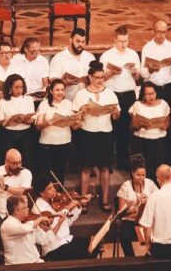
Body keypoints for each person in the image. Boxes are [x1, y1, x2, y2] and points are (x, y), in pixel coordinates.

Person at [73, 61, 121, 212]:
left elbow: (116, 116)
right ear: (90, 77)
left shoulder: (109, 92)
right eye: (98, 77)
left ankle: (105, 200)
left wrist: (115, 111)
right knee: (86, 168)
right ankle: (83, 200)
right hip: (87, 133)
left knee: (104, 167)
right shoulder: (81, 94)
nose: (101, 80)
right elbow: (75, 117)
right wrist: (82, 110)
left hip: (105, 132)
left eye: (102, 77)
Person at [100, 26, 141, 170]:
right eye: (121, 41)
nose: (124, 44)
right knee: (110, 128)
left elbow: (138, 77)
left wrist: (135, 72)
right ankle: (107, 163)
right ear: (114, 40)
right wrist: (112, 73)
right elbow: (101, 78)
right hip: (112, 94)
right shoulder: (106, 56)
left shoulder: (133, 54)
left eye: (126, 41)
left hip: (129, 94)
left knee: (125, 130)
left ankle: (123, 162)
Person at [35, 79, 80, 183]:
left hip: (64, 142)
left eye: (62, 90)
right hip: (47, 143)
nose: (60, 92)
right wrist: (48, 123)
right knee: (47, 175)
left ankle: (60, 197)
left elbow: (74, 127)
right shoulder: (44, 104)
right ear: (51, 91)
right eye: (57, 90)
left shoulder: (69, 103)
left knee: (60, 175)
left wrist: (77, 121)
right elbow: (38, 127)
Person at [116, 154, 158, 257]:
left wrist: (148, 202)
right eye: (138, 175)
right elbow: (121, 212)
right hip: (131, 219)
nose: (141, 178)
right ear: (132, 173)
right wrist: (134, 207)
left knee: (158, 234)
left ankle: (150, 257)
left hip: (147, 219)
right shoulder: (126, 186)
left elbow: (158, 201)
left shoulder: (150, 184)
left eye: (143, 175)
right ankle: (132, 261)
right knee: (124, 236)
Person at [129, 82, 170, 179]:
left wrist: (165, 126)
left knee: (159, 169)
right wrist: (141, 124)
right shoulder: (137, 104)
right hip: (142, 141)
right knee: (143, 169)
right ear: (143, 95)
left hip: (159, 141)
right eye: (147, 94)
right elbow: (132, 125)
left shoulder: (163, 103)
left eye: (153, 93)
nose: (151, 96)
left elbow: (168, 122)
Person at [0, 74, 37, 171]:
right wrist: (12, 120)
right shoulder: (3, 101)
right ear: (10, 87)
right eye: (16, 87)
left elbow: (32, 119)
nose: (19, 90)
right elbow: (0, 121)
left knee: (26, 160)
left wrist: (23, 119)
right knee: (11, 161)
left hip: (26, 134)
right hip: (9, 135)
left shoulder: (28, 100)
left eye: (21, 87)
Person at [140, 20, 171, 106]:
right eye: (159, 32)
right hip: (152, 89)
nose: (161, 35)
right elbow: (143, 74)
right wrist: (151, 70)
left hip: (168, 89)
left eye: (164, 32)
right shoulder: (147, 48)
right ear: (153, 32)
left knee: (168, 116)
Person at [49, 28, 96, 101]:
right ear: (70, 40)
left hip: (87, 100)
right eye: (78, 41)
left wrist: (91, 79)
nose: (81, 44)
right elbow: (53, 80)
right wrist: (64, 83)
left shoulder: (90, 57)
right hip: (67, 101)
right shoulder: (58, 58)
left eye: (83, 42)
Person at [12, 37, 50, 106]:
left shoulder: (43, 61)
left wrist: (42, 93)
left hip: (37, 100)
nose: (36, 53)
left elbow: (45, 84)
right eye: (33, 51)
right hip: (20, 99)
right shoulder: (16, 59)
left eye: (38, 51)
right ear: (26, 49)